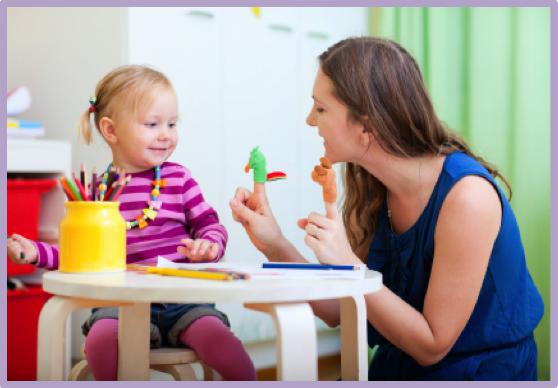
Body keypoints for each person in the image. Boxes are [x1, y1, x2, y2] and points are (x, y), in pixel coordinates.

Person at [229, 37, 543, 380]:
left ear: (365, 124)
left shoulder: (468, 199)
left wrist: (349, 263)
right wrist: (275, 242)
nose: (309, 120)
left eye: (320, 108)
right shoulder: (371, 184)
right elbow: (340, 310)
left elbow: (431, 345)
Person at [7, 65, 256, 381]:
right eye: (152, 124)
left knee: (223, 345)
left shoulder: (178, 179)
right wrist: (37, 253)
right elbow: (79, 255)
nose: (165, 133)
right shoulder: (96, 191)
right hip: (120, 302)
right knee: (100, 341)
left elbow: (211, 225)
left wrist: (209, 245)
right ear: (111, 131)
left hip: (184, 300)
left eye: (172, 123)